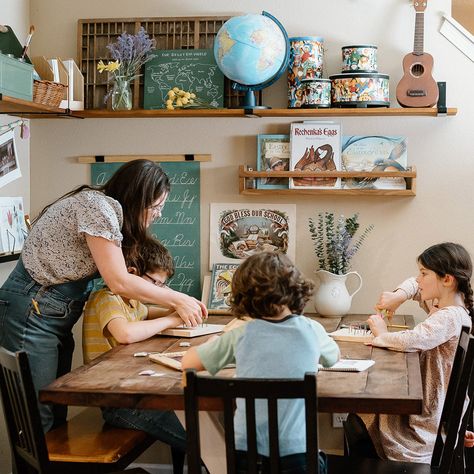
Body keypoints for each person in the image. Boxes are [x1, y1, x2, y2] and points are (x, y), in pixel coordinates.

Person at [0, 159, 206, 432]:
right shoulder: (97, 208)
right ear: (137, 198)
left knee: (54, 409)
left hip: (49, 309)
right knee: (37, 420)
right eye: (155, 206)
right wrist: (178, 300)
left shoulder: (106, 211)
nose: (157, 214)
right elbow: (120, 281)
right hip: (32, 307)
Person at [182, 251, 340, 473]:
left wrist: (213, 341)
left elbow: (188, 363)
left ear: (243, 297)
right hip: (299, 461)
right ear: (296, 289)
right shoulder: (312, 329)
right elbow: (333, 357)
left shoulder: (241, 334)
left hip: (245, 461)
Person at [352, 242, 473, 463]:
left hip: (425, 420)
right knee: (358, 418)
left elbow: (414, 339)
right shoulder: (442, 306)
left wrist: (381, 334)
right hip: (433, 411)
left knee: (359, 417)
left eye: (424, 273)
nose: (418, 279)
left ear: (447, 279)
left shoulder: (449, 317)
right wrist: (399, 295)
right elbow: (413, 285)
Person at [82, 236, 186, 452]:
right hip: (117, 402)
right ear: (131, 273)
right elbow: (125, 333)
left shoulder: (133, 302)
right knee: (194, 436)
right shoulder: (107, 297)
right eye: (155, 283)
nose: (158, 289)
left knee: (189, 416)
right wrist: (174, 319)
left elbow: (153, 313)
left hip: (134, 393)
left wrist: (181, 306)